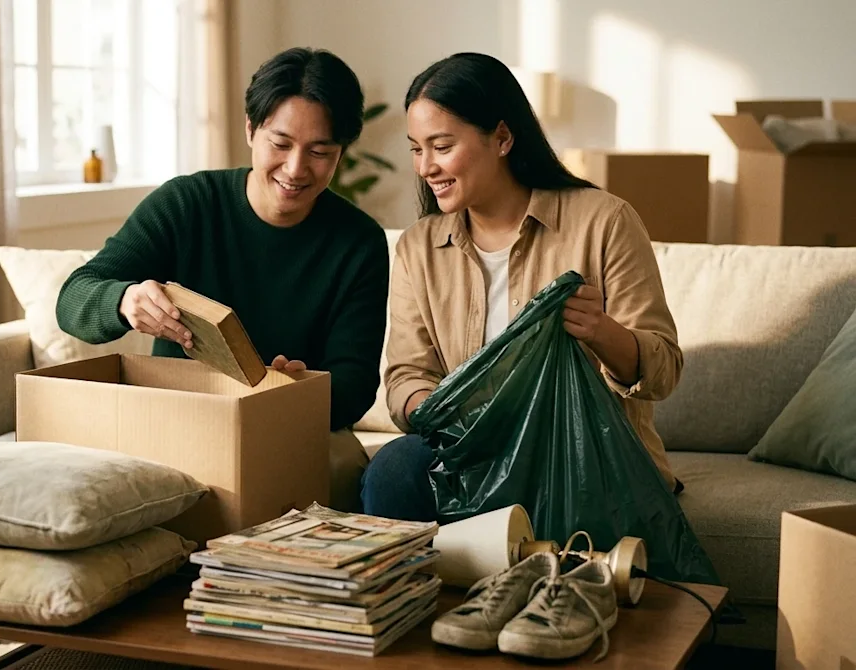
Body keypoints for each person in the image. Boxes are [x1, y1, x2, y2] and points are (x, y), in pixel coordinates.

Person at [56, 47, 389, 513]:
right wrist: (124, 300)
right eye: (280, 143)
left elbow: (354, 385)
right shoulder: (186, 205)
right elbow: (73, 298)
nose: (296, 169)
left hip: (283, 434)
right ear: (250, 129)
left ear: (340, 153)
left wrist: (301, 390)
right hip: (177, 423)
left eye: (320, 152)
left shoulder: (359, 243)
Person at [361, 53, 683, 521]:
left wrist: (600, 330)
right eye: (416, 149)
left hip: (582, 455)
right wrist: (437, 411)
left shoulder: (604, 220)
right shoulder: (419, 248)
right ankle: (407, 594)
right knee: (393, 470)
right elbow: (406, 376)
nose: (425, 167)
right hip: (470, 454)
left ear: (503, 138)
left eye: (442, 146)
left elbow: (665, 368)